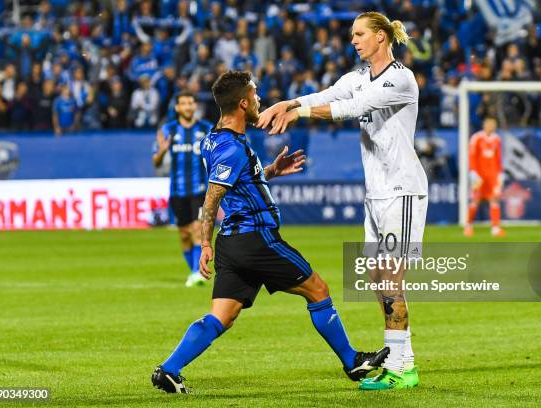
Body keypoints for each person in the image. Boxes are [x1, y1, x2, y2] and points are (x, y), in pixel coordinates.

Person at [151, 71, 388, 394]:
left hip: (233, 244)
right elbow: (212, 198)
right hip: (256, 238)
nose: (260, 99)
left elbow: (237, 185)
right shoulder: (231, 148)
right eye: (256, 94)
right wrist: (204, 242)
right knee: (318, 290)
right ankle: (353, 362)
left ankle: (169, 369)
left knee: (222, 315)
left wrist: (269, 172)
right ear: (244, 103)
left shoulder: (213, 138)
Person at [257, 12, 428, 391]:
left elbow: (348, 109)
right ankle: (403, 360)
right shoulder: (357, 76)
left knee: (389, 281)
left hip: (401, 190)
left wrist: (297, 113)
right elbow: (326, 95)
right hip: (376, 192)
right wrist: (284, 103)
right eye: (352, 34)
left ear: (381, 37)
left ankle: (402, 368)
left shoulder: (400, 77)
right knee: (375, 278)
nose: (353, 40)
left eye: (360, 34)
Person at [152, 90, 213, 287]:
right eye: (183, 103)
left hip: (200, 189)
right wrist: (161, 151)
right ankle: (194, 272)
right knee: (184, 234)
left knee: (197, 229)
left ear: (195, 106)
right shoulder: (168, 130)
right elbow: (156, 162)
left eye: (190, 103)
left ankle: (197, 273)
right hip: (177, 191)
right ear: (177, 108)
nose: (187, 106)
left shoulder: (206, 128)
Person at [464, 117, 505, 237]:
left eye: (493, 124)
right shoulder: (476, 138)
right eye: (489, 124)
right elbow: (472, 156)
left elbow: (498, 158)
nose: (491, 126)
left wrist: (500, 174)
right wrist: (473, 172)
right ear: (484, 125)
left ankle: (496, 228)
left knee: (494, 199)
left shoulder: (497, 139)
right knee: (475, 200)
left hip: (492, 175)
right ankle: (468, 226)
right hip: (479, 175)